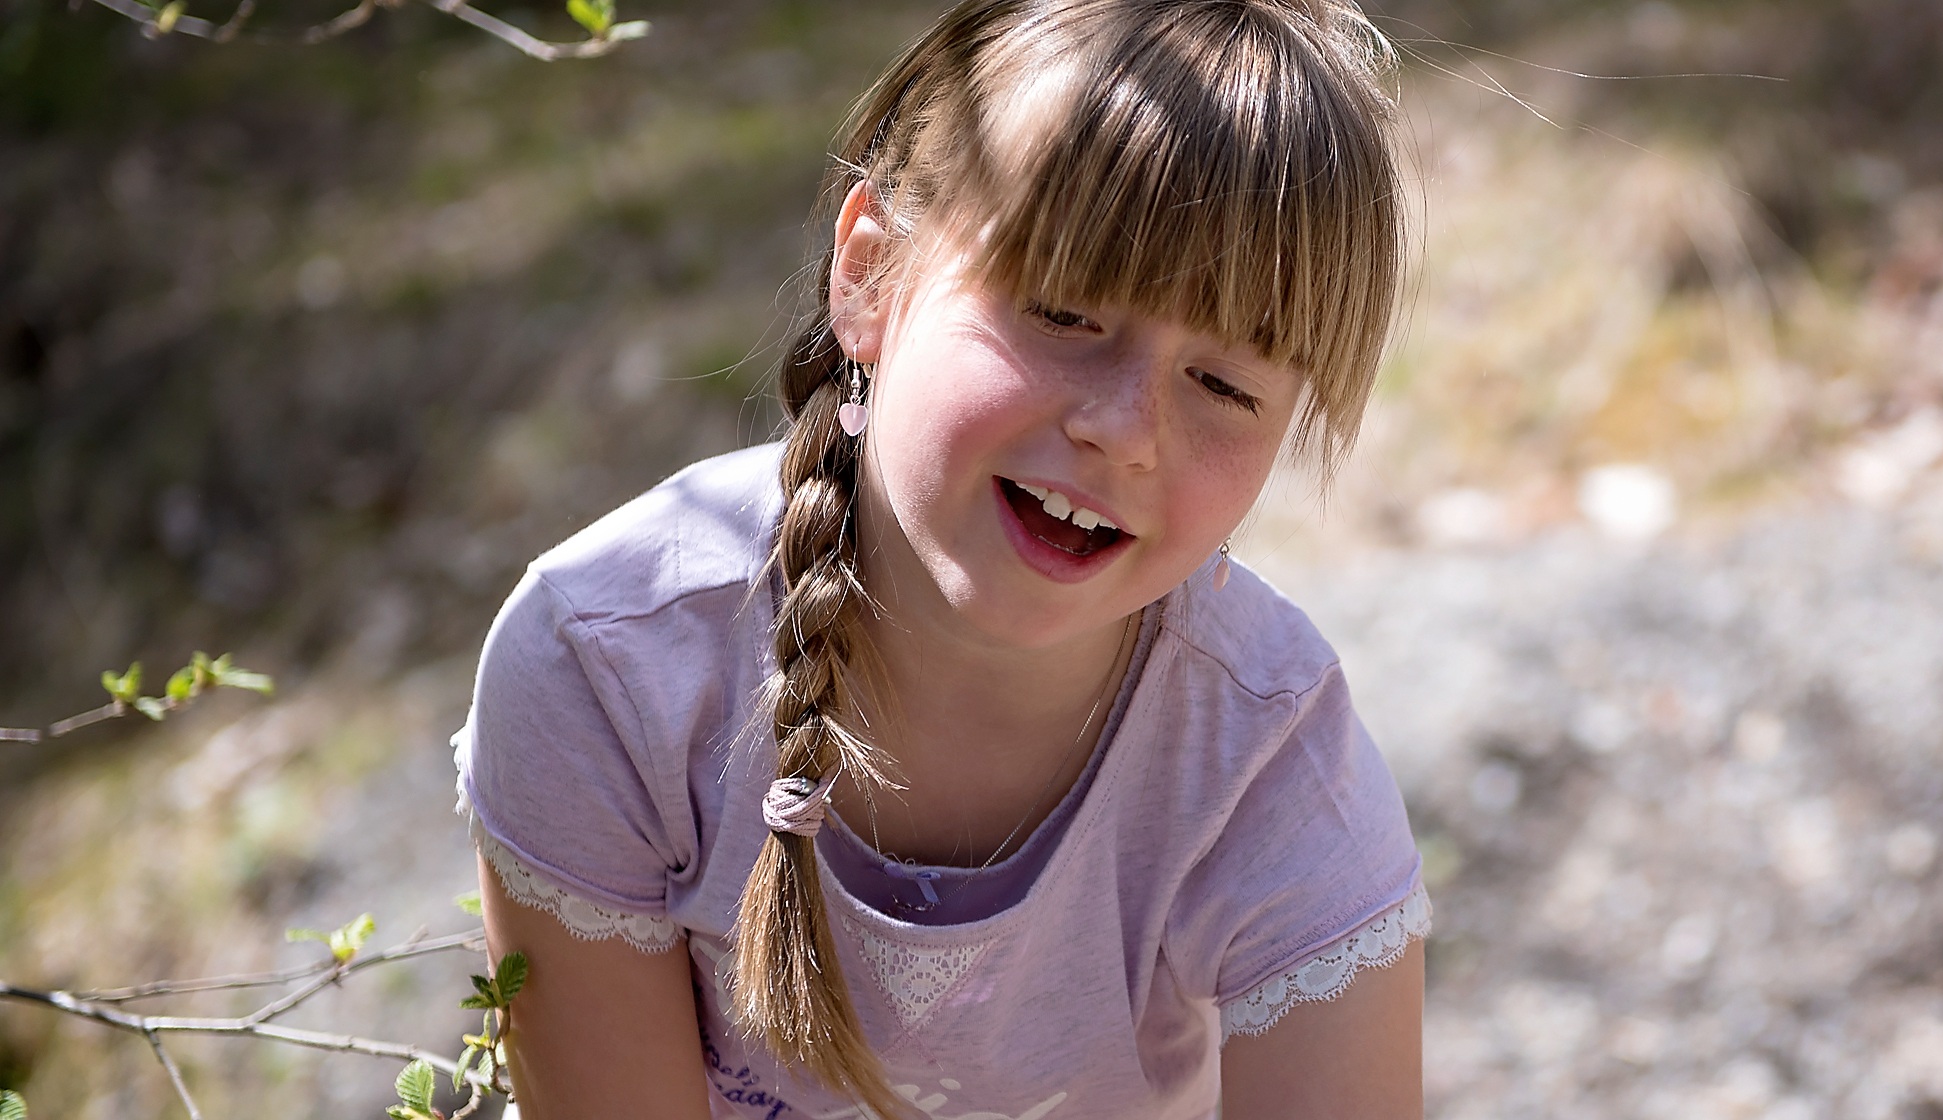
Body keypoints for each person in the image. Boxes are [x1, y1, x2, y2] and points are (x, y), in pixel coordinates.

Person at [453, 1, 1428, 1116]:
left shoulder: (1268, 767)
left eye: (1223, 386)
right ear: (868, 277)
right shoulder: (608, 668)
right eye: (1063, 312)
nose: (1126, 428)